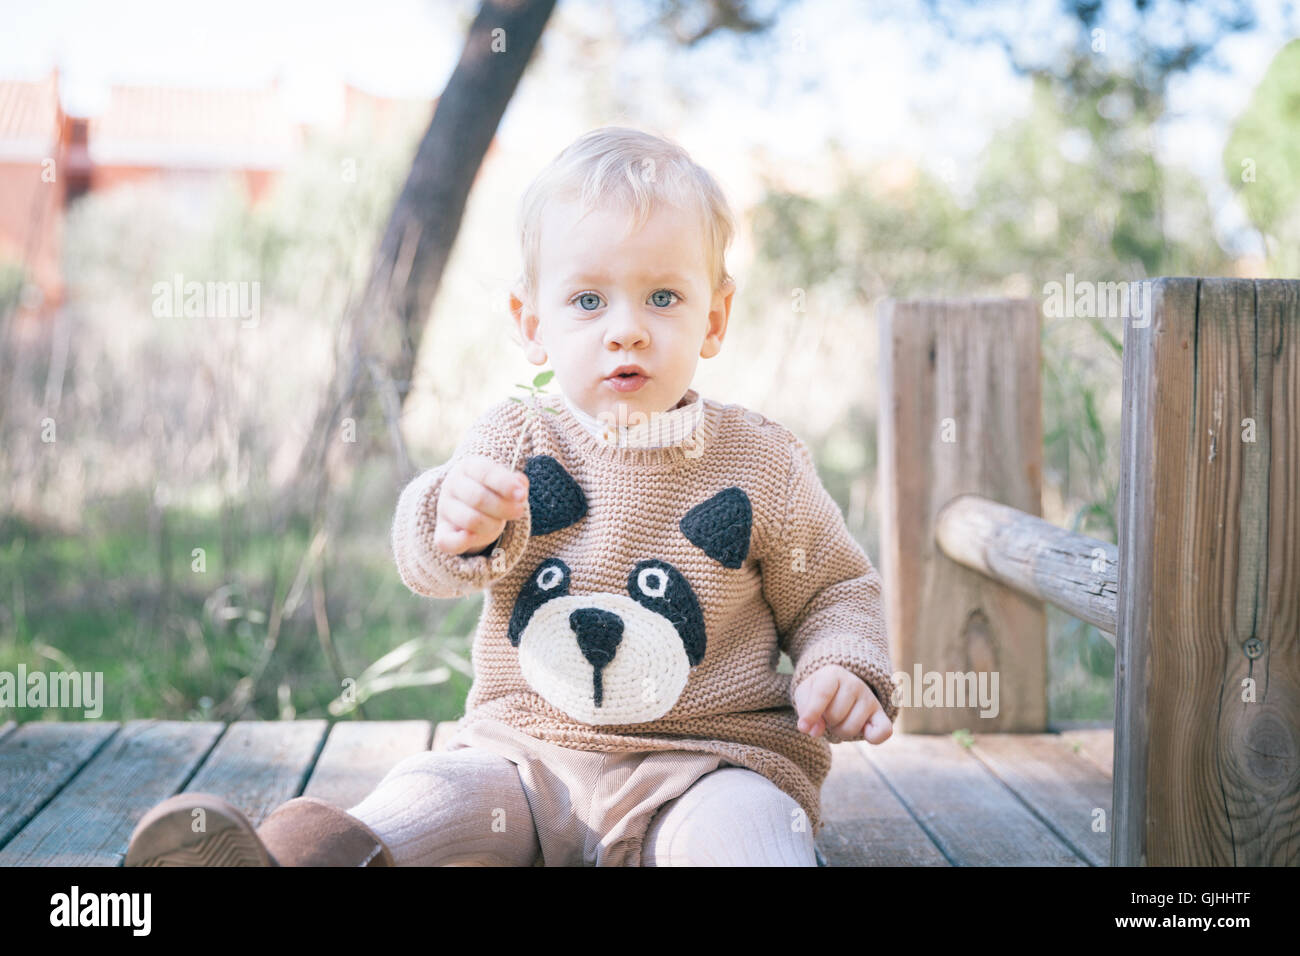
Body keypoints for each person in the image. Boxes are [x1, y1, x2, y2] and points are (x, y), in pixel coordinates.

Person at [125, 126, 898, 868]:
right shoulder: (517, 437)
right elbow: (429, 561)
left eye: (662, 297)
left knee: (749, 832)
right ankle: (294, 861)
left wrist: (842, 663)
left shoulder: (759, 461)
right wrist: (451, 521)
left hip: (706, 763)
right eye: (589, 302)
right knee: (432, 793)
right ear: (532, 324)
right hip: (526, 759)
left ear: (715, 317)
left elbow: (836, 588)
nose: (626, 330)